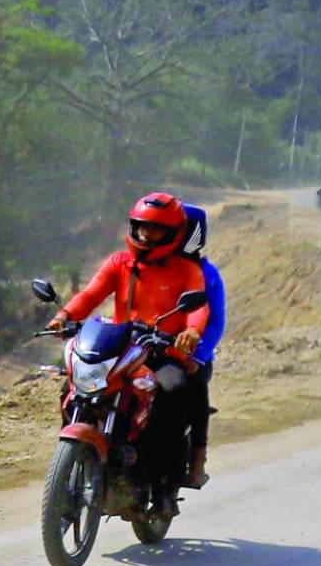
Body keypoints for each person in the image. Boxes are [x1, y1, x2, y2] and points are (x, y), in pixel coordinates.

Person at [47, 192, 211, 477]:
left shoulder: (187, 270)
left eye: (156, 229)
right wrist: (64, 316)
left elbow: (199, 307)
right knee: (74, 386)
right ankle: (71, 459)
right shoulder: (119, 263)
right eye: (142, 227)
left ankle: (164, 478)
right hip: (122, 351)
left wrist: (192, 332)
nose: (147, 235)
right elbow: (90, 294)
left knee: (173, 391)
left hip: (163, 352)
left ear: (173, 233)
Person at [177, 203, 225, 488]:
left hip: (192, 356)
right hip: (147, 351)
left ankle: (197, 461)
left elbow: (216, 323)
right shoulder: (151, 267)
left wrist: (197, 354)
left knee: (195, 392)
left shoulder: (207, 274)